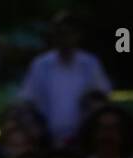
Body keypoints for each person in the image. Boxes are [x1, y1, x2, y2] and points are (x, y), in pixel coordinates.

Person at [17, 12, 111, 144]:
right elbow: (27, 101)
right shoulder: (41, 65)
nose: (65, 38)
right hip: (46, 138)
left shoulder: (89, 64)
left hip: (82, 139)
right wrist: (35, 130)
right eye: (60, 33)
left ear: (78, 35)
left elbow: (101, 98)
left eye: (69, 33)